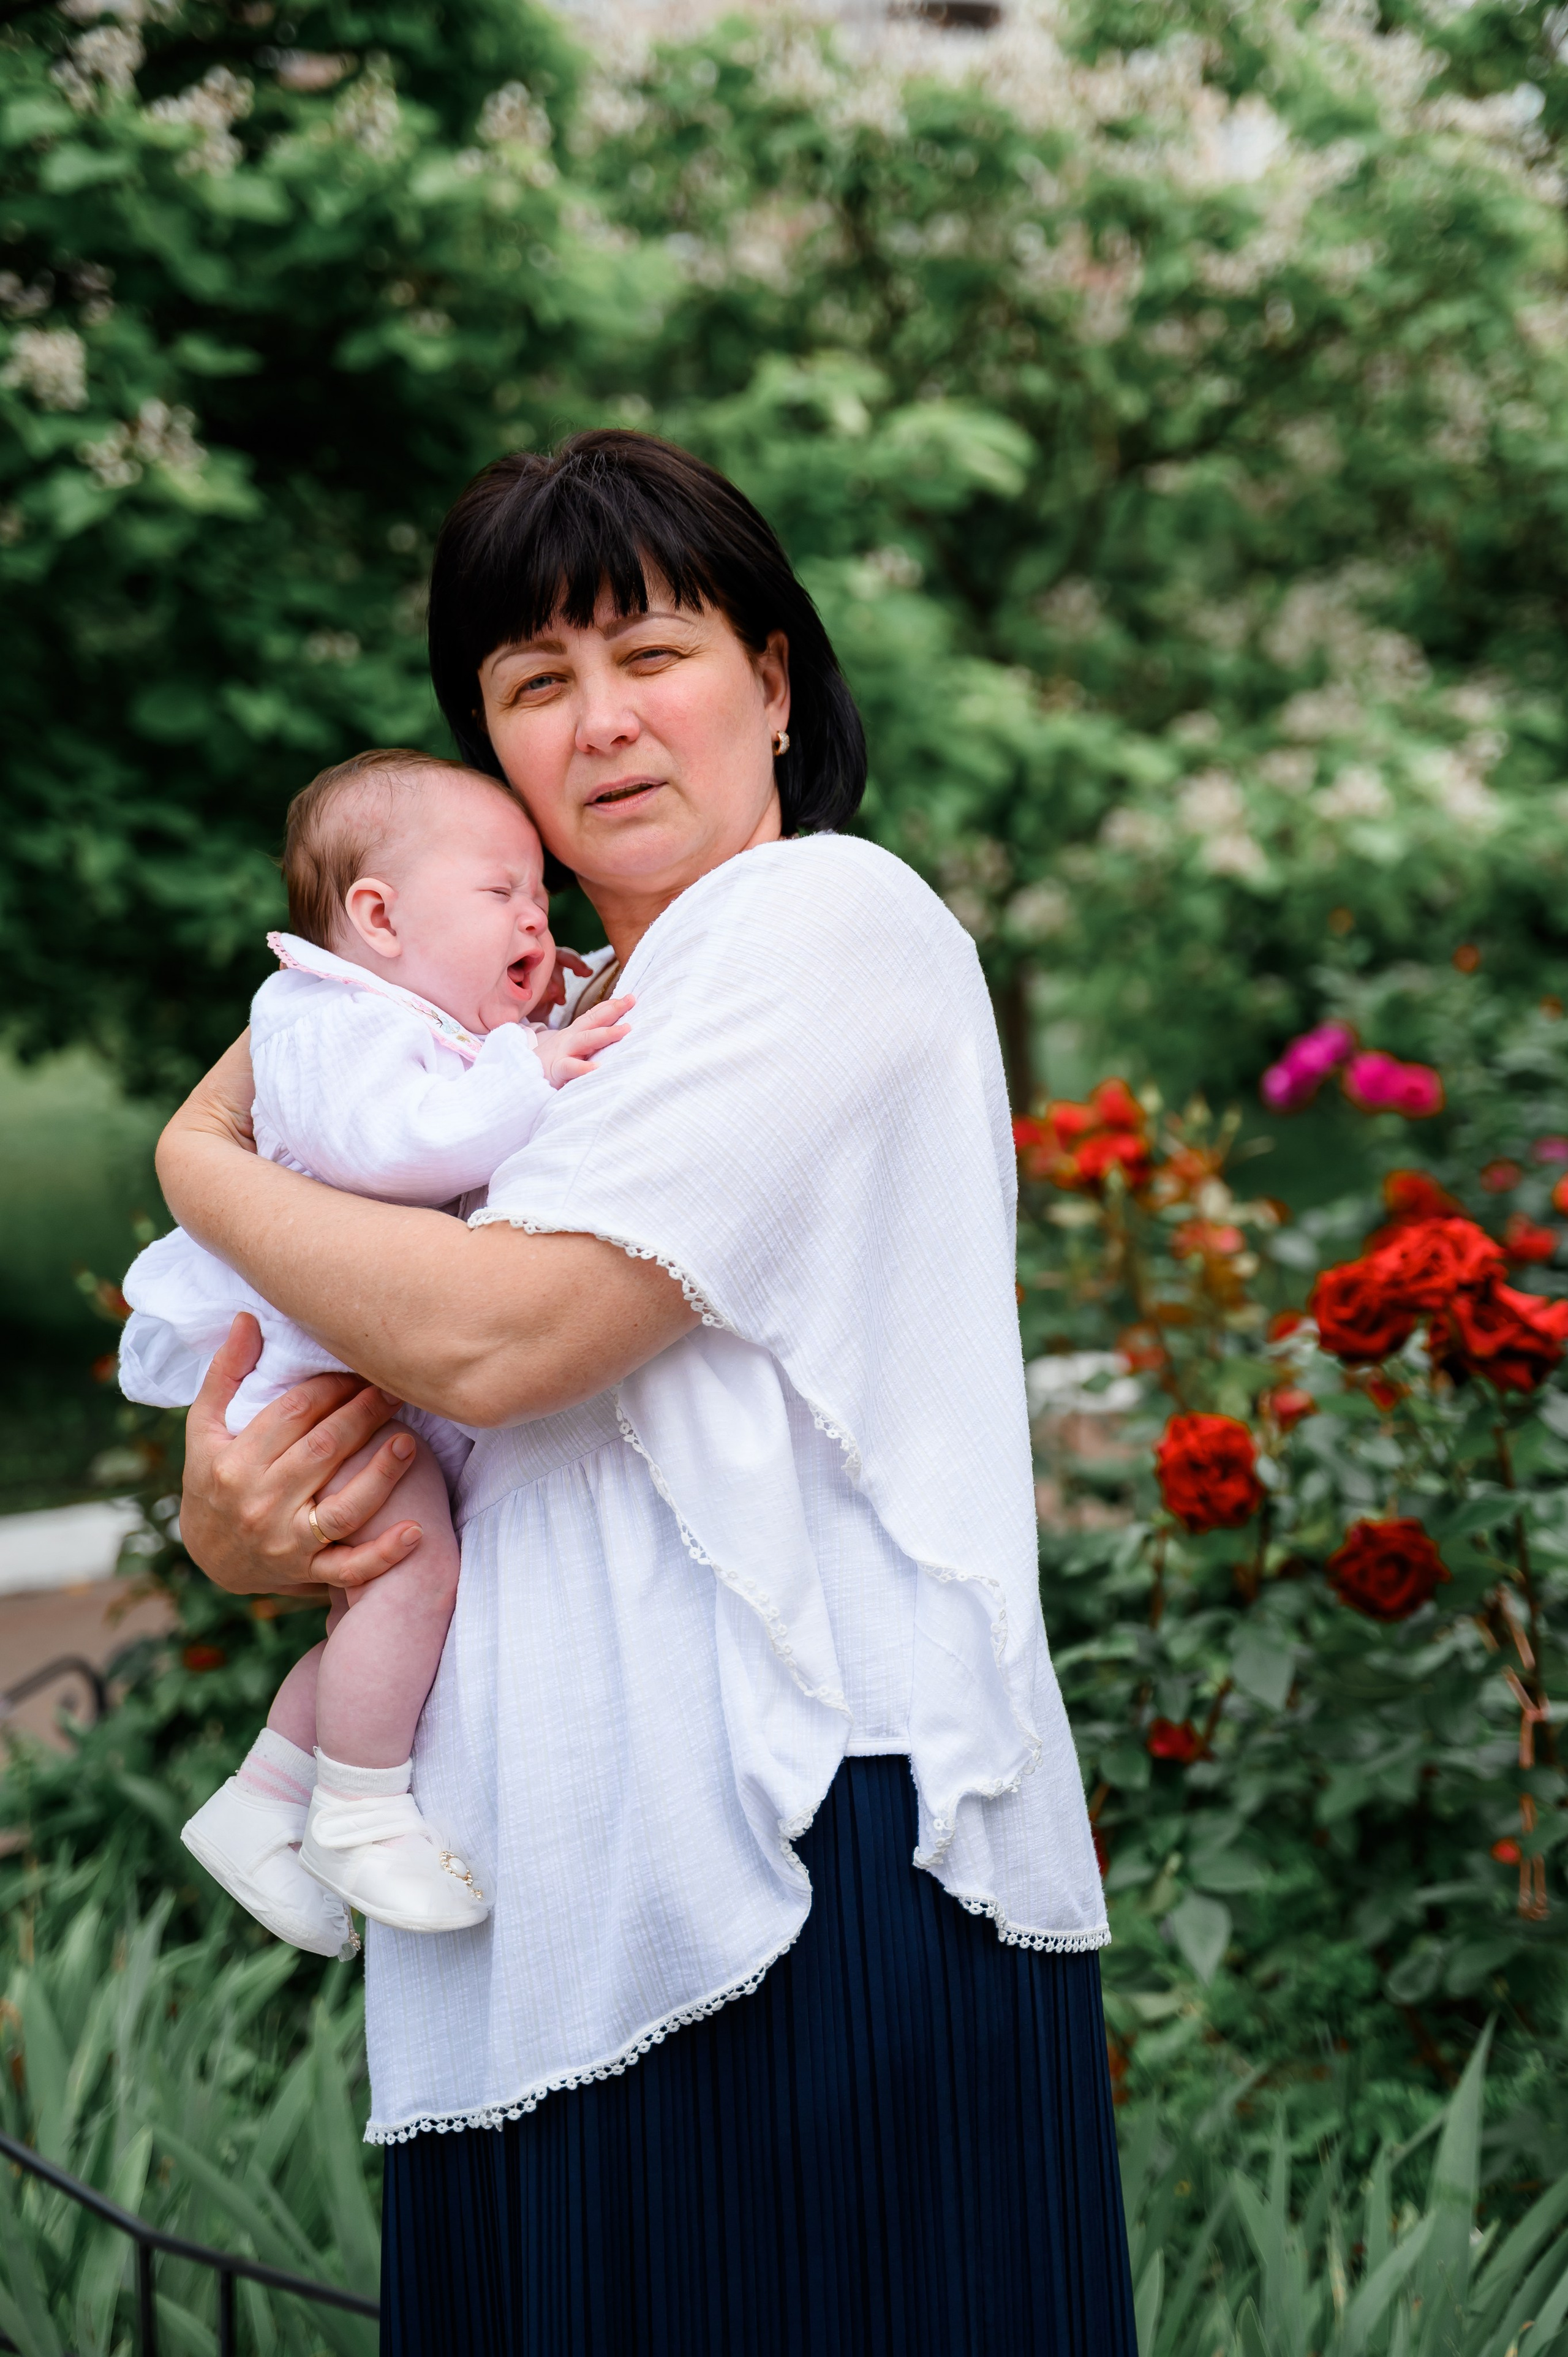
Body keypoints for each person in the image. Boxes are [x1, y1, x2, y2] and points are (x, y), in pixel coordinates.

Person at [156, 429, 1137, 2354]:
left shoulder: (823, 922)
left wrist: (195, 1164)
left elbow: (498, 1337)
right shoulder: (547, 1027)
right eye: (535, 682)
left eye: (653, 652)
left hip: (813, 1855)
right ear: (489, 759)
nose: (600, 720)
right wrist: (246, 1523)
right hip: (535, 1882)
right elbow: (398, 1398)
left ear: (773, 684)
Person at [122, 749, 631, 1951]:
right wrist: (529, 1069)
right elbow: (393, 1151)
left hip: (350, 1371)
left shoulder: (414, 1016)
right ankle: (360, 1811)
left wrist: (529, 1024)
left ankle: (264, 1800)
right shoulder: (327, 1023)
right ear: (380, 918)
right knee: (412, 1575)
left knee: (398, 1606)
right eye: (501, 892)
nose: (535, 917)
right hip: (312, 1381)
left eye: (540, 894)